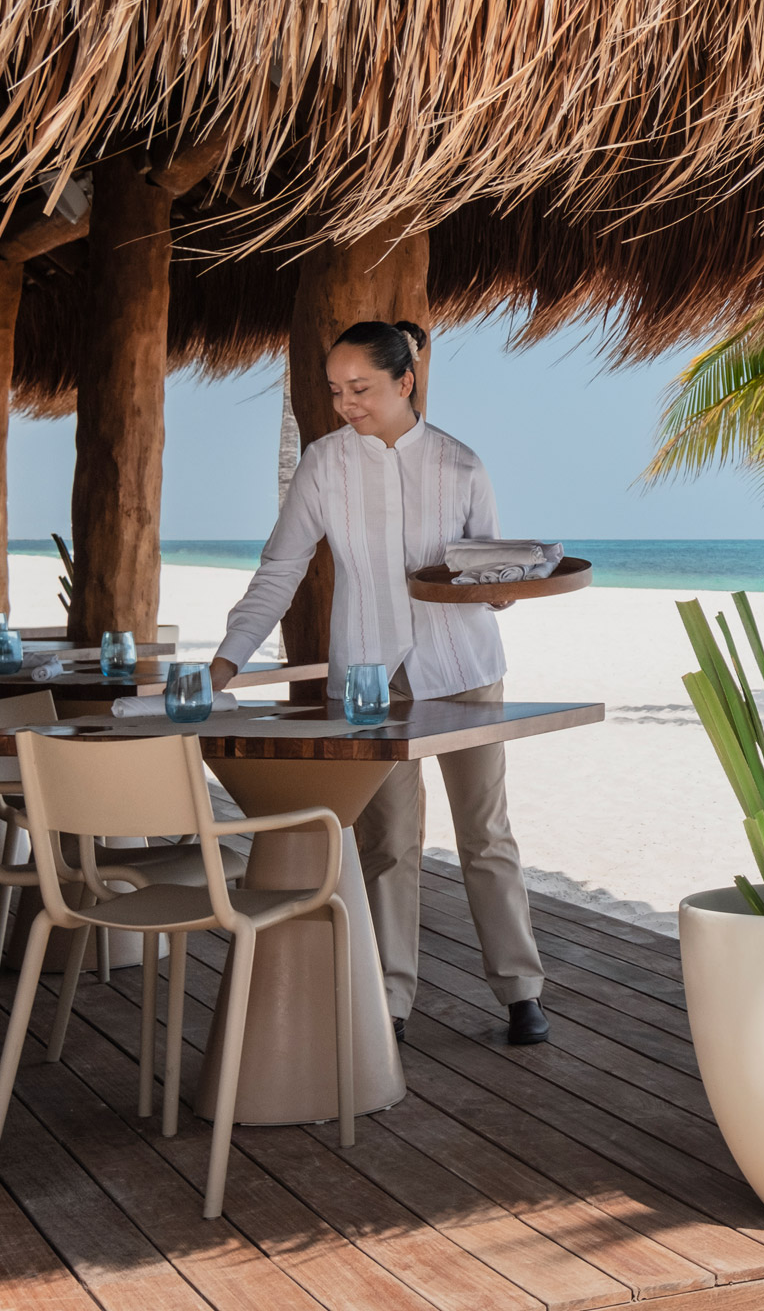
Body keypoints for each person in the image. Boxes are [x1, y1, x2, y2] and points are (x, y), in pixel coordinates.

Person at [211, 320, 549, 1046]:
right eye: (336, 391)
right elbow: (281, 571)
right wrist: (226, 661)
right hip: (369, 679)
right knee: (388, 842)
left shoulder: (461, 465)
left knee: (484, 833)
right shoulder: (322, 466)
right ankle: (391, 999)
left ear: (405, 382)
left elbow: (482, 569)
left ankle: (521, 990)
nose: (346, 403)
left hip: (464, 673)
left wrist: (500, 589)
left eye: (360, 388)